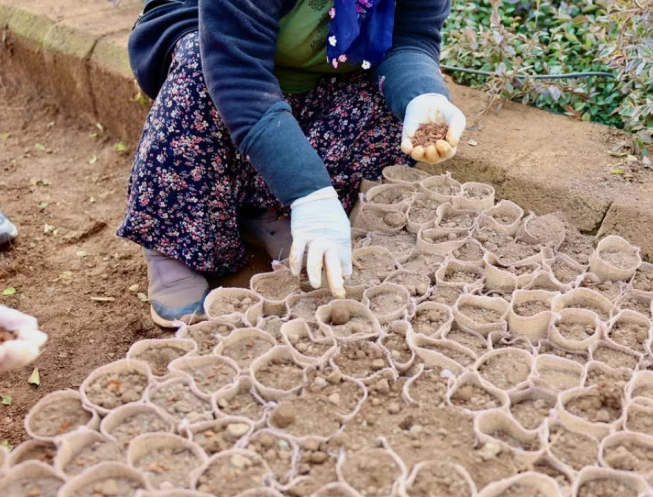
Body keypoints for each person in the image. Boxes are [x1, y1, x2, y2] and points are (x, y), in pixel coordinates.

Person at [121, 0, 466, 327]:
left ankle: (266, 207)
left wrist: (423, 96)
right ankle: (174, 241)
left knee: (392, 110)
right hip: (220, 47)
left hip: (326, 67)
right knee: (200, 65)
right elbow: (239, 75)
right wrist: (309, 193)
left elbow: (409, 41)